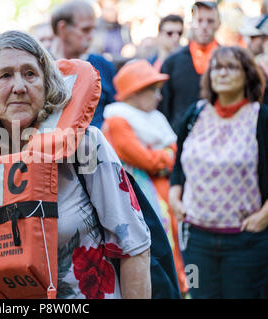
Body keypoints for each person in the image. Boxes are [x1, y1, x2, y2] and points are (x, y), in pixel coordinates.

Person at [0, 30, 151, 299]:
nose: (19, 87)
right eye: (5, 75)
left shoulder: (86, 146)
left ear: (47, 84)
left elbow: (135, 246)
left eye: (30, 74)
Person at [169, 46, 268, 298]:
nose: (222, 73)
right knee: (200, 295)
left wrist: (264, 215)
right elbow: (180, 164)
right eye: (217, 67)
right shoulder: (195, 114)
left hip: (245, 241)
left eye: (231, 67)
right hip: (196, 241)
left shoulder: (261, 118)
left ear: (248, 75)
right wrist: (174, 196)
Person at [102, 59, 188, 296]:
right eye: (153, 90)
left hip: (166, 196)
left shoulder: (155, 118)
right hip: (142, 199)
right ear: (137, 92)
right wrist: (165, 159)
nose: (159, 97)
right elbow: (145, 159)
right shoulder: (118, 120)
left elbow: (176, 152)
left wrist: (164, 158)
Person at [51, 0, 117, 129]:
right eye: (85, 30)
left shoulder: (102, 65)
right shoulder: (41, 65)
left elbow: (116, 110)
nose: (91, 36)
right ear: (62, 29)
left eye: (93, 29)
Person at [158, 1, 220, 132]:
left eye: (210, 21)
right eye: (199, 20)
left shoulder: (229, 61)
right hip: (180, 138)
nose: (204, 26)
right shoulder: (172, 62)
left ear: (218, 24)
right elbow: (163, 107)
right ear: (191, 23)